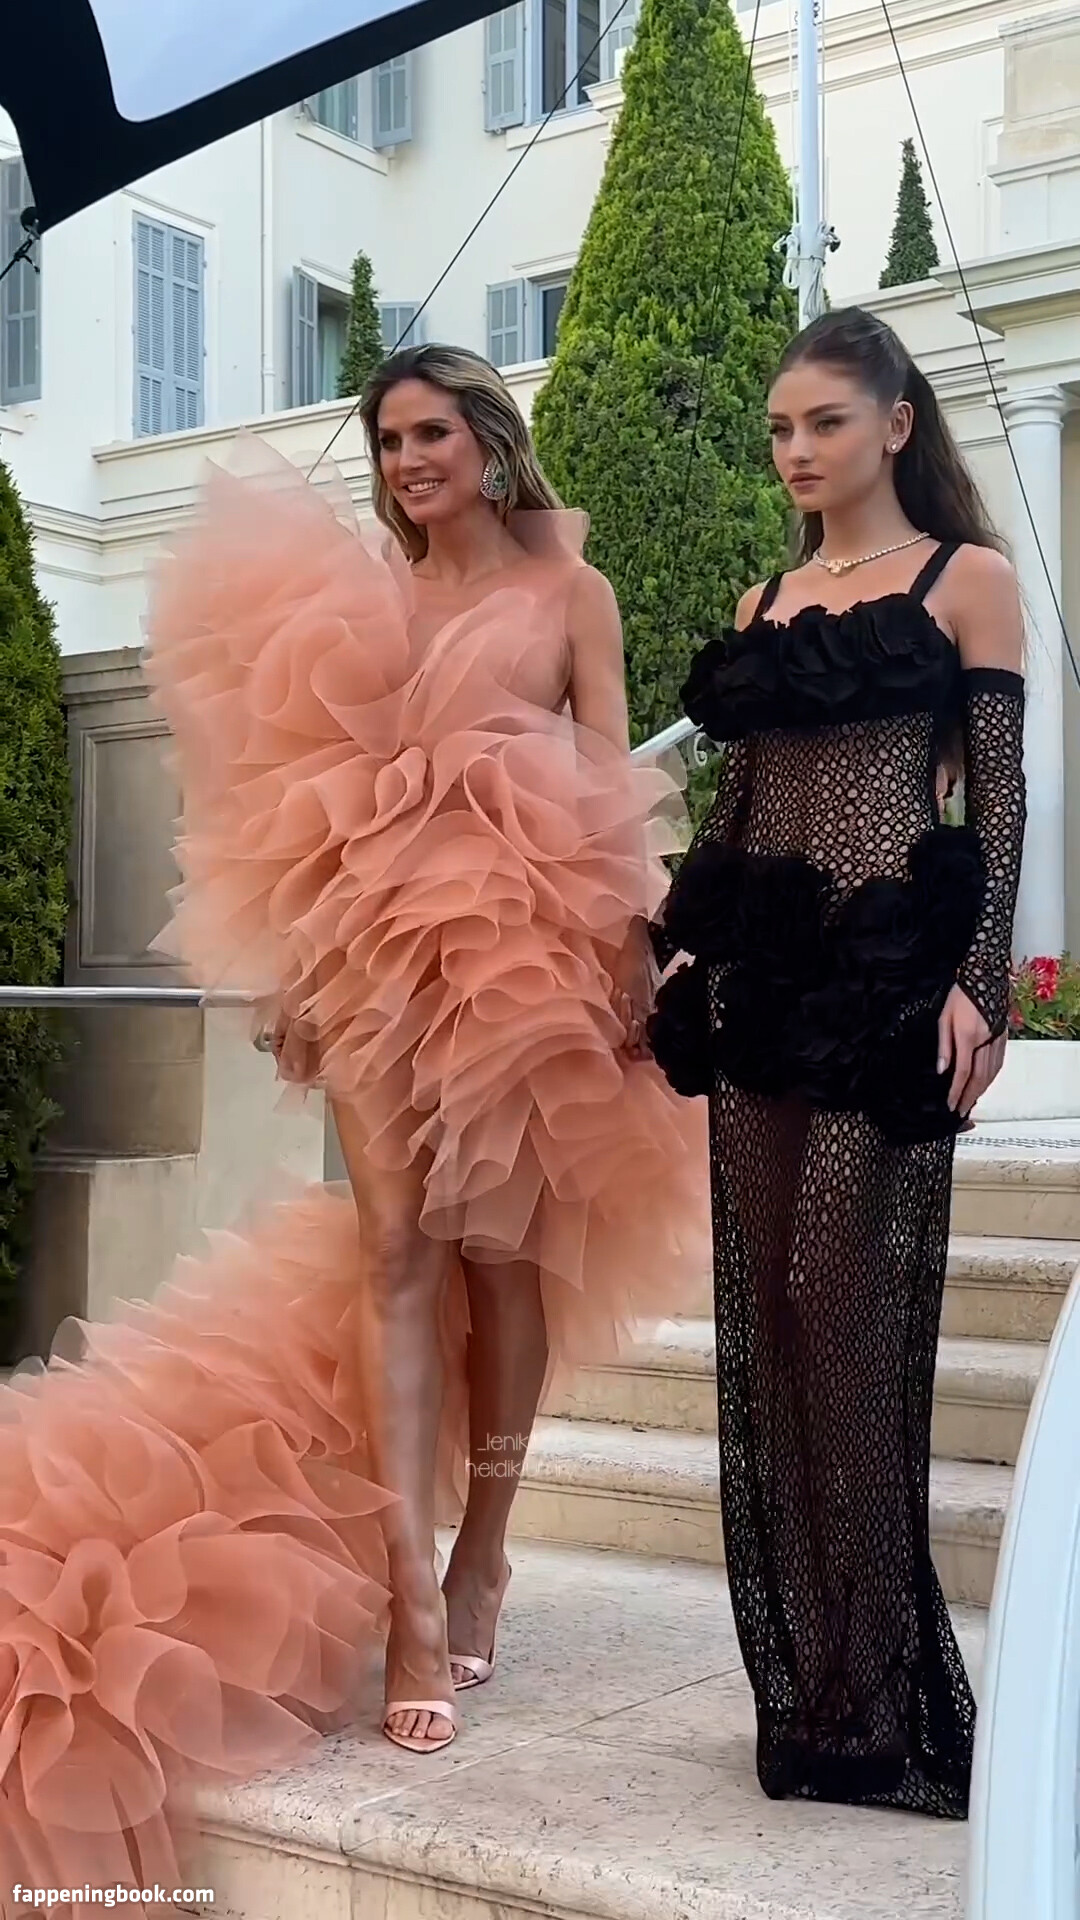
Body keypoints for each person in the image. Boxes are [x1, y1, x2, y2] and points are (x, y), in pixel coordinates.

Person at [0, 346, 708, 1899]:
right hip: (377, 963)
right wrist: (302, 967)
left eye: (431, 433)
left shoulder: (569, 591)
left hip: (528, 957)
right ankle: (409, 1596)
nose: (406, 462)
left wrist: (632, 964)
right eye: (387, 439)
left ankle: (484, 1545)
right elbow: (300, 802)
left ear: (489, 441)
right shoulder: (367, 601)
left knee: (503, 1261)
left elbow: (610, 787)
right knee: (397, 1249)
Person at [650, 306, 1026, 1818]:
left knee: (836, 1300)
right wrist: (686, 946)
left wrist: (980, 985)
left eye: (823, 422)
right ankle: (812, 1692)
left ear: (896, 424)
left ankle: (883, 1687)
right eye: (779, 430)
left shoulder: (966, 581)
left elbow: (1001, 800)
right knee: (770, 1317)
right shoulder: (765, 598)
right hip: (767, 983)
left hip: (885, 989)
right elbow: (741, 805)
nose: (796, 451)